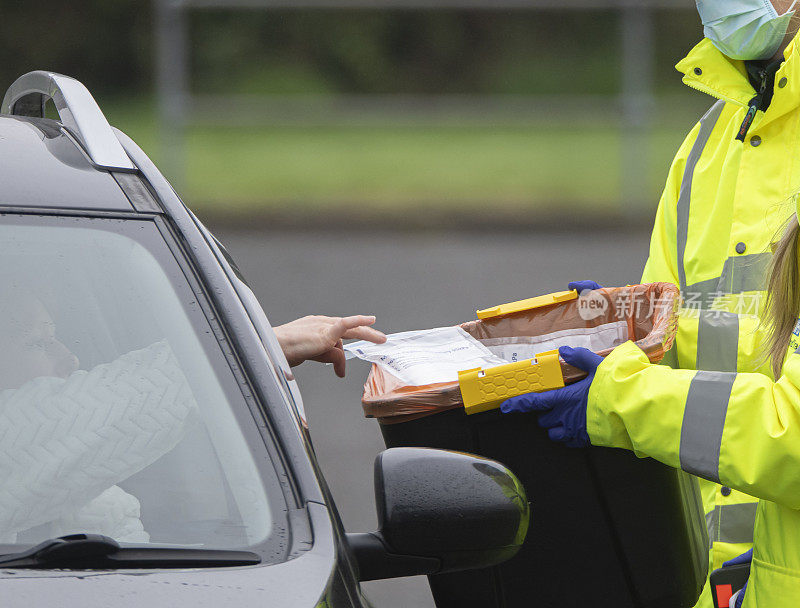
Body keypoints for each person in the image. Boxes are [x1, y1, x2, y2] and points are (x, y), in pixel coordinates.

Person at [0, 290, 385, 542]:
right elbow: (19, 443)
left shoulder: (101, 516)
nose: (71, 359)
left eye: (59, 339)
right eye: (38, 343)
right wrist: (246, 352)